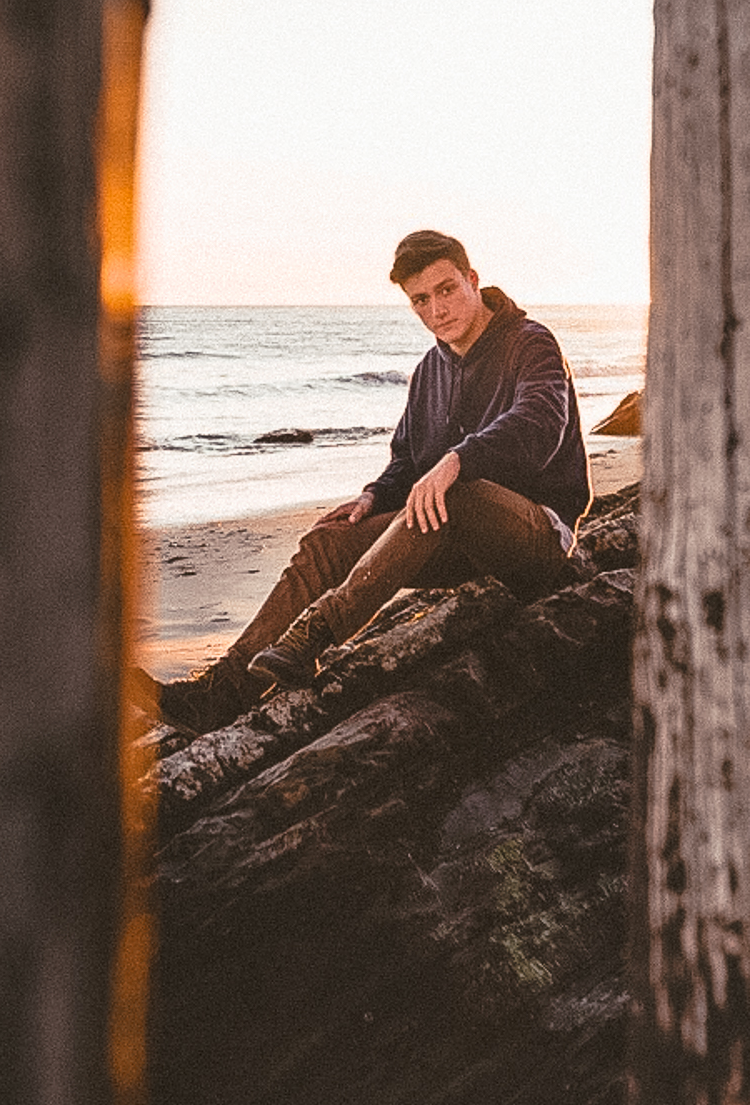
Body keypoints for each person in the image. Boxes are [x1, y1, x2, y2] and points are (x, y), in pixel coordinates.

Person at [135, 229, 591, 734]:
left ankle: (315, 633)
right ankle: (221, 693)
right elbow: (406, 463)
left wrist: (458, 460)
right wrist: (372, 496)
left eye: (446, 289)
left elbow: (540, 425)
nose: (437, 310)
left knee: (452, 490)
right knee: (327, 539)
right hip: (451, 541)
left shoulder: (531, 343)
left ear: (472, 280)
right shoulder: (428, 373)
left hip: (538, 536)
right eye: (421, 300)